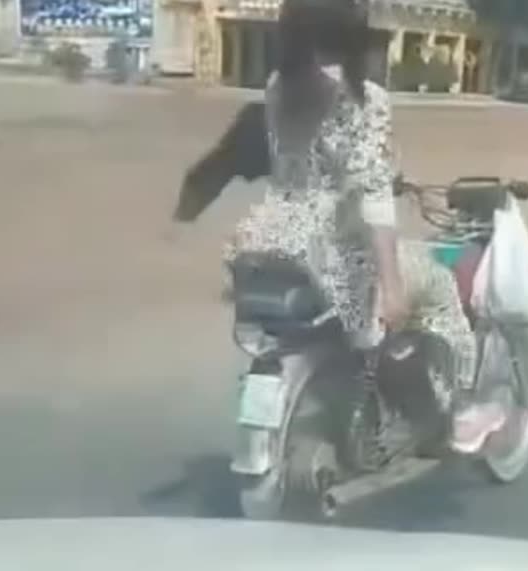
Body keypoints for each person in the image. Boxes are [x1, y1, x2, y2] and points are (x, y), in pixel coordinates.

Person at [175, 0, 503, 453]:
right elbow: (374, 199)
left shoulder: (276, 87)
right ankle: (458, 411)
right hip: (336, 251)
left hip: (272, 236)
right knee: (439, 286)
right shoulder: (364, 100)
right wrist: (390, 287)